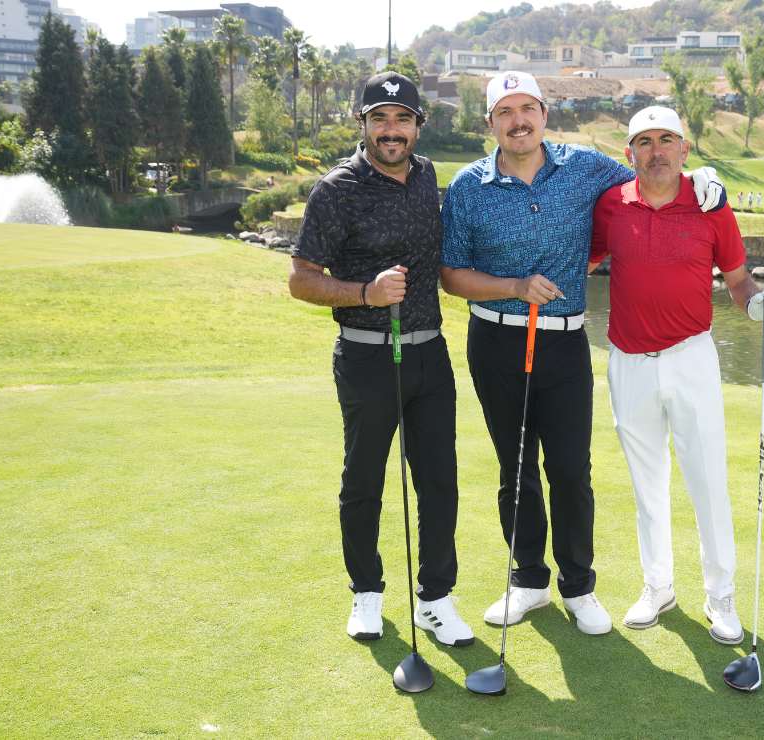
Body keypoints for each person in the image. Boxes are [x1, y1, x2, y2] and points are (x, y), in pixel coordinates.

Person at [440, 71, 725, 636]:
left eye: (528, 108)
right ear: (491, 122)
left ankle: (578, 588)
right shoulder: (469, 186)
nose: (518, 120)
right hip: (496, 340)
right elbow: (451, 275)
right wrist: (514, 286)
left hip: (564, 341)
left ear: (544, 114)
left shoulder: (586, 167)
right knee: (515, 467)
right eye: (505, 112)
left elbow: (652, 179)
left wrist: (703, 176)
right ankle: (528, 583)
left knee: (570, 470)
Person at [288, 73, 473, 648]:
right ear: (363, 124)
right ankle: (366, 593)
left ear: (419, 126)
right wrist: (365, 293)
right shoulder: (336, 189)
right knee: (364, 481)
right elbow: (301, 282)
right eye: (380, 119)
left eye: (402, 119)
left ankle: (436, 600)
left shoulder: (426, 177)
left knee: (439, 482)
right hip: (367, 359)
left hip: (430, 356)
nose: (391, 131)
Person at [589, 106, 764, 645]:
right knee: (647, 485)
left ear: (685, 149)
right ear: (630, 153)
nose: (656, 151)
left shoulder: (709, 204)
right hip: (627, 362)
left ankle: (720, 595)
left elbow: (738, 280)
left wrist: (756, 303)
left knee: (706, 481)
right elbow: (584, 258)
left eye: (666, 140)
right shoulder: (612, 204)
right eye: (644, 142)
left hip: (691, 358)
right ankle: (658, 586)